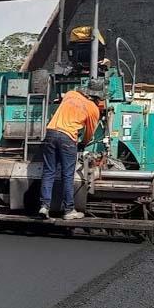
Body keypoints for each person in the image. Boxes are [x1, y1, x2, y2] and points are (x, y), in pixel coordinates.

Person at [39, 88, 101, 220]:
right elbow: (89, 133)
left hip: (50, 133)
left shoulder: (71, 94)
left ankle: (44, 206)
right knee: (67, 175)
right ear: (98, 99)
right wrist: (83, 144)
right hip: (67, 138)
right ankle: (68, 210)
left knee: (49, 172)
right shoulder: (93, 109)